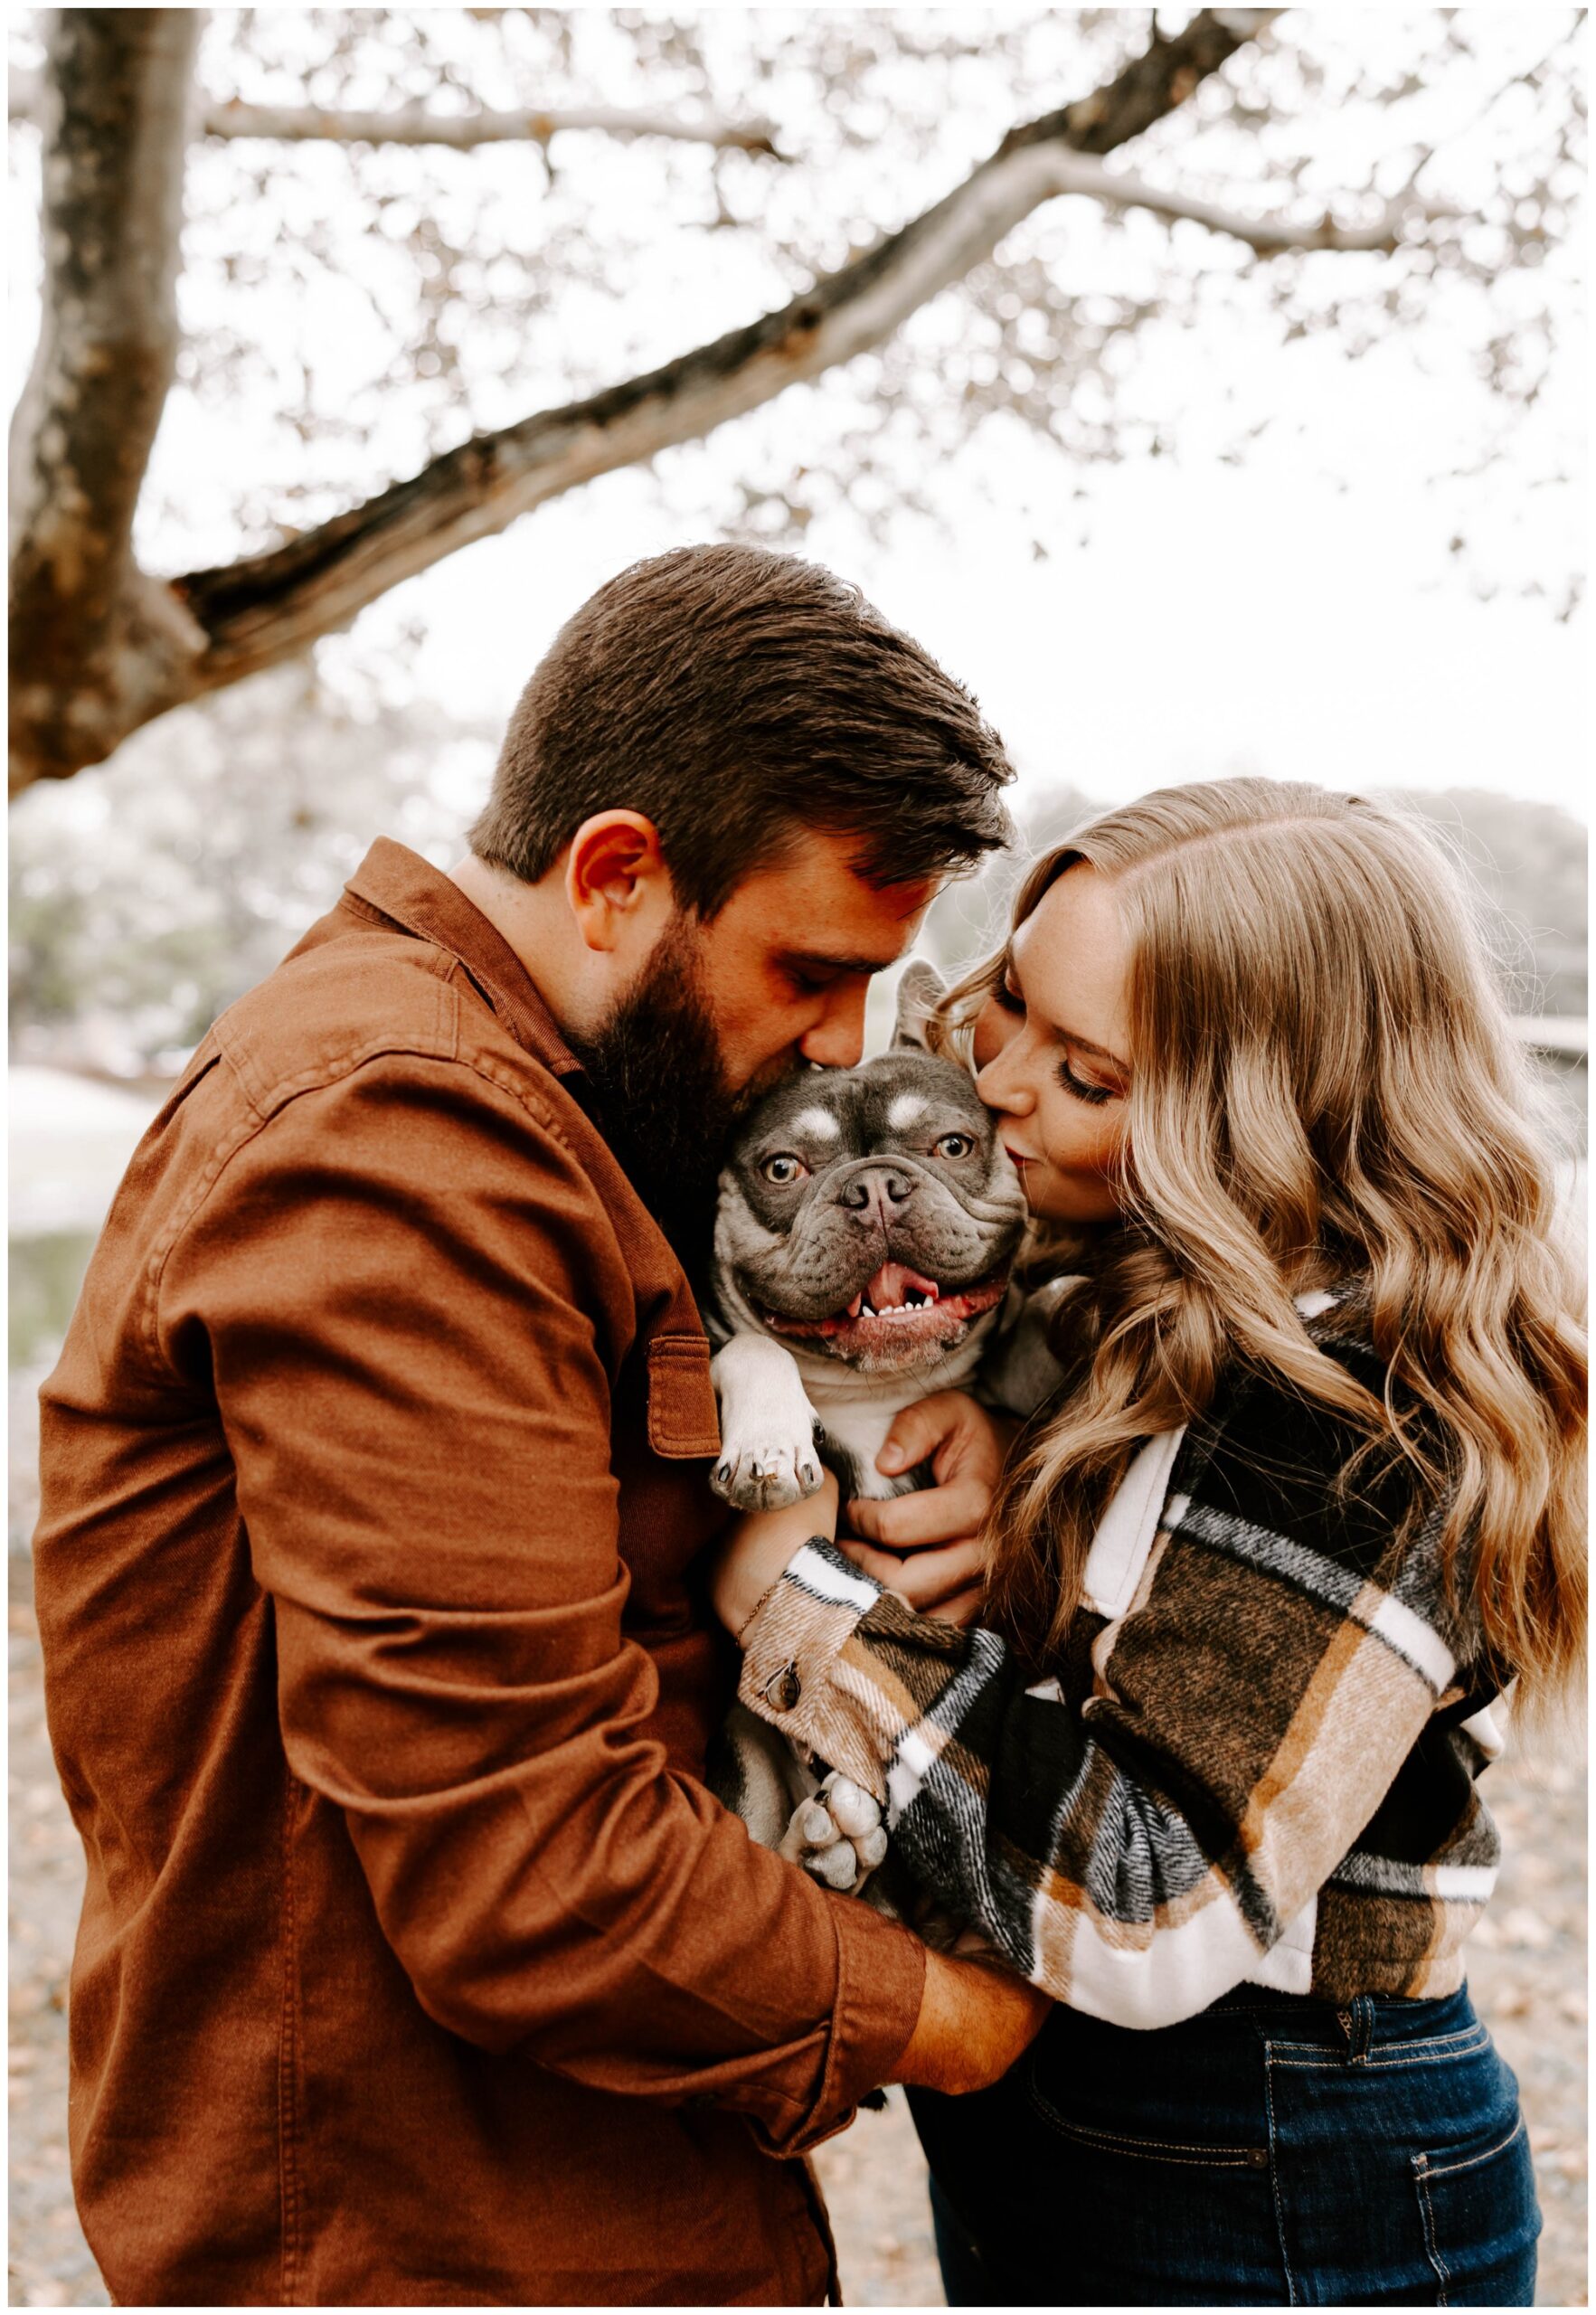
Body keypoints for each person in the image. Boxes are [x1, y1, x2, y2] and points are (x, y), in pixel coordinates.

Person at [31, 543, 1053, 2310]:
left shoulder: (570, 1103)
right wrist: (960, 2015)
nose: (835, 1043)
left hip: (574, 2194)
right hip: (432, 2240)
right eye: (809, 968)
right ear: (614, 873)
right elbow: (532, 1863)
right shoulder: (407, 1130)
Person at [713, 777, 1585, 2308]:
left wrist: (796, 1601)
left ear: (1258, 1113)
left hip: (1275, 2152)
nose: (999, 1095)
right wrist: (1022, 1442)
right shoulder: (1134, 1303)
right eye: (1011, 1019)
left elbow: (1149, 1906)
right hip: (1095, 2136)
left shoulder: (1364, 1411)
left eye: (1090, 1075)